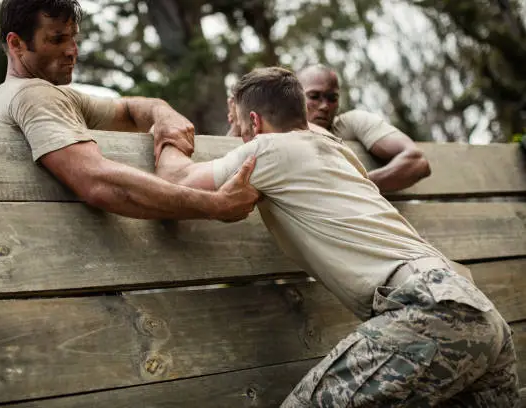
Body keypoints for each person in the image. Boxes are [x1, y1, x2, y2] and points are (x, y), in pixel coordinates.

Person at [156, 67, 518, 407]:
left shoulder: (270, 149)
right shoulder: (337, 150)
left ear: (253, 121)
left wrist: (165, 131)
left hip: (430, 312)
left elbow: (176, 183)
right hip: (480, 314)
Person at [0, 0, 259, 222]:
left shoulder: (43, 95)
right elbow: (98, 181)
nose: (72, 51)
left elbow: (127, 111)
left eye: (73, 38)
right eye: (57, 39)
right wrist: (215, 205)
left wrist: (162, 113)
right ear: (16, 44)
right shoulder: (32, 95)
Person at [296, 65, 430, 192]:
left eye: (332, 98)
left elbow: (418, 162)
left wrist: (356, 188)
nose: (325, 106)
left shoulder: (352, 122)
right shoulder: (279, 134)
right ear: (294, 96)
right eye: (314, 96)